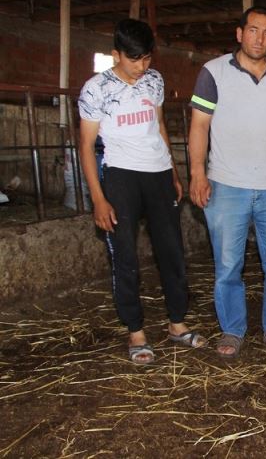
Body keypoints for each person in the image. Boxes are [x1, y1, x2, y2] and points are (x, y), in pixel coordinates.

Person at [78, 18, 206, 365]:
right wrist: (98, 198)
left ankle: (177, 323)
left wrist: (173, 172)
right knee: (126, 256)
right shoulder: (96, 89)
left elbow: (159, 125)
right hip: (121, 176)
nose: (141, 66)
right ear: (116, 54)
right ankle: (135, 330)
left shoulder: (154, 80)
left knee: (172, 251)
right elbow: (86, 146)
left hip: (158, 173)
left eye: (147, 58)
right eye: (134, 59)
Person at [188, 6, 266, 359]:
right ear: (239, 33)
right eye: (254, 30)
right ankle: (232, 328)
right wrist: (197, 172)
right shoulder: (213, 72)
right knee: (228, 264)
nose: (260, 38)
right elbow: (199, 125)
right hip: (227, 183)